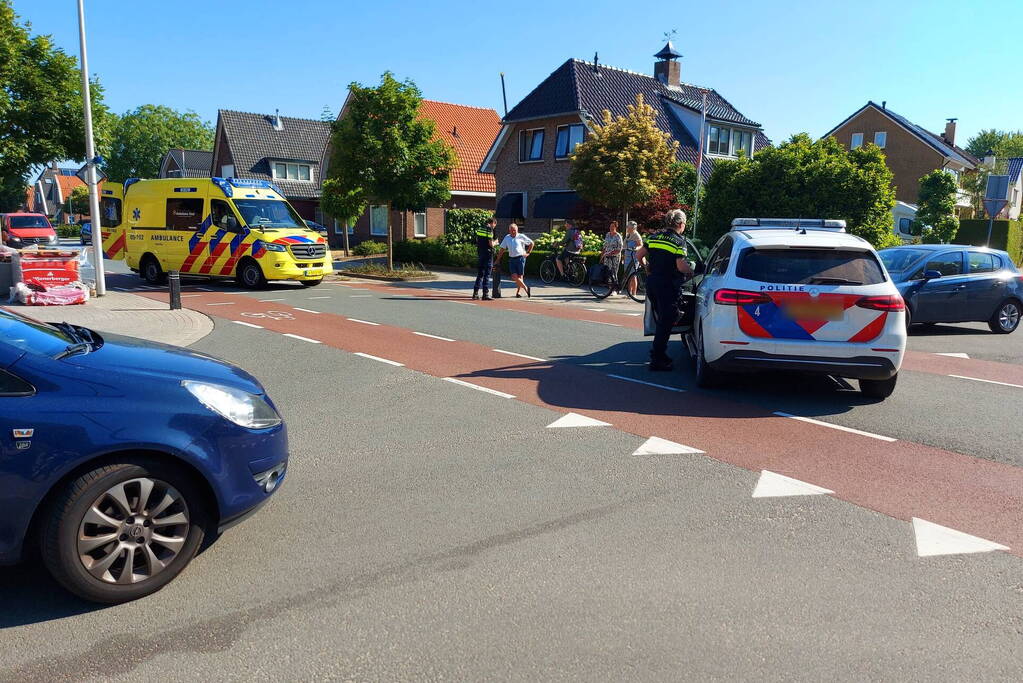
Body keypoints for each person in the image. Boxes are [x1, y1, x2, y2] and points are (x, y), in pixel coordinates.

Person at [635, 209, 692, 371]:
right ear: (680, 224)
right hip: (668, 285)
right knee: (666, 321)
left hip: (653, 283)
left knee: (662, 319)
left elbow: (639, 255)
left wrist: (647, 268)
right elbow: (681, 266)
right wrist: (692, 270)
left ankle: (659, 354)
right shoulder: (678, 242)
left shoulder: (654, 237)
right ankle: (657, 358)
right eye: (684, 225)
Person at [495, 223, 534, 297]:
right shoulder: (507, 237)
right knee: (514, 276)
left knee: (520, 276)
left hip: (520, 258)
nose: (513, 232)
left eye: (515, 230)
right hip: (512, 259)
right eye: (512, 230)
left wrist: (528, 253)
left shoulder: (521, 236)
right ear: (509, 230)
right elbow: (502, 249)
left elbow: (532, 243)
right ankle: (526, 288)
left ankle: (518, 292)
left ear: (517, 230)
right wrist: (498, 259)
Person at [473, 216, 497, 300]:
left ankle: (475, 293)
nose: (494, 227)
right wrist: (496, 242)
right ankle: (485, 294)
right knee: (487, 273)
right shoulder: (489, 229)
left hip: (480, 253)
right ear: (493, 223)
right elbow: (491, 243)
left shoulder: (480, 229)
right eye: (494, 225)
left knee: (480, 274)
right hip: (488, 254)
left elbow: (477, 240)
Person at [600, 220, 624, 290]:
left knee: (614, 272)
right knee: (608, 272)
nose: (611, 228)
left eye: (613, 226)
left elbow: (620, 248)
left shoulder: (618, 236)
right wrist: (602, 256)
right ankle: (610, 288)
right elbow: (604, 246)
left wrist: (611, 253)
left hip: (614, 257)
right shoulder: (607, 234)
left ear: (616, 227)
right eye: (610, 226)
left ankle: (615, 289)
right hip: (607, 257)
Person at [623, 220, 644, 296]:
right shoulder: (628, 235)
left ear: (632, 228)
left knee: (633, 275)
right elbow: (625, 246)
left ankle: (634, 293)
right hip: (627, 257)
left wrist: (635, 248)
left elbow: (641, 245)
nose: (627, 228)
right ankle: (629, 293)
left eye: (628, 226)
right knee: (628, 275)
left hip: (634, 257)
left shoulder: (636, 235)